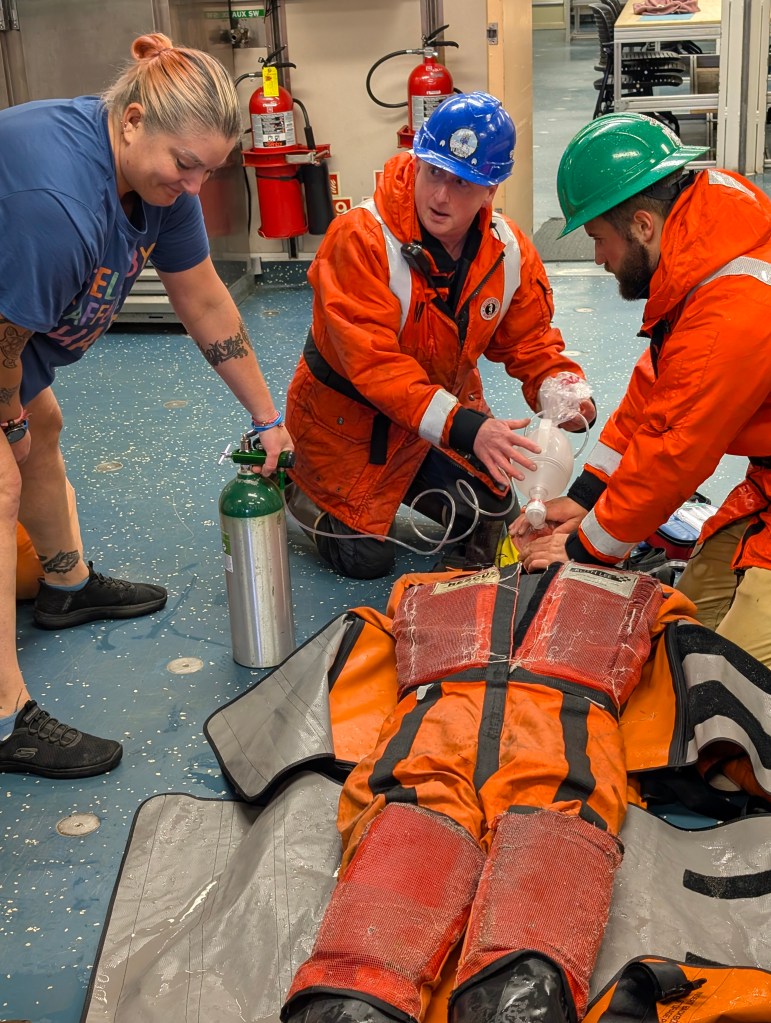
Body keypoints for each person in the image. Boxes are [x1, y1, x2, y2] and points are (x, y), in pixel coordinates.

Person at [0, 33, 292, 779]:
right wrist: (7, 419)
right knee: (0, 480)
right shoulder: (60, 201)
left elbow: (204, 300)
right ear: (132, 122)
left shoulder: (161, 187)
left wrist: (267, 416)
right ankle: (3, 719)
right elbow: (3, 342)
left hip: (10, 326)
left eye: (209, 170)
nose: (194, 185)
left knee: (46, 426)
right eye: (185, 164)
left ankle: (65, 587)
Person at [280, 561, 696, 1023]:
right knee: (383, 943)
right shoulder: (636, 594)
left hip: (495, 729)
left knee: (523, 963)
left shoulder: (428, 588)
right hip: (513, 729)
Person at [284, 91, 595, 580]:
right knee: (364, 561)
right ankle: (297, 484)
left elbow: (530, 340)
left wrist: (559, 387)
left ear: (490, 189)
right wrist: (468, 428)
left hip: (437, 414)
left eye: (462, 182)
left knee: (494, 516)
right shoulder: (361, 239)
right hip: (349, 423)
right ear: (417, 163)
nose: (440, 196)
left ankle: (413, 480)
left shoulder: (507, 250)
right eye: (433, 173)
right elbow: (375, 367)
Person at [511, 112, 771, 669]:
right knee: (686, 623)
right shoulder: (704, 254)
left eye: (599, 239)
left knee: (736, 675)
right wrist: (585, 498)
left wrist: (583, 550)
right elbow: (656, 394)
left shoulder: (732, 306)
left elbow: (674, 450)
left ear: (643, 226)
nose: (598, 258)